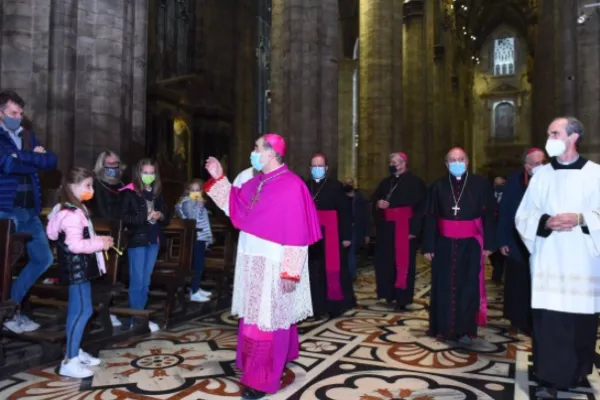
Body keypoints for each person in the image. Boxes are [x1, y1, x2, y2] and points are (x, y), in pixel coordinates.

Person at [204, 133, 321, 400]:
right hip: (251, 260)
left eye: (257, 148)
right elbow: (233, 206)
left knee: (269, 319)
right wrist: (219, 177)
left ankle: (263, 378)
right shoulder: (257, 181)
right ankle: (256, 364)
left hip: (273, 262)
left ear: (271, 152)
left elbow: (297, 232)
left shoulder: (292, 186)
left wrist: (290, 271)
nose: (253, 152)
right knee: (257, 316)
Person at [515, 117, 600, 398]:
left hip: (582, 261)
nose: (549, 136)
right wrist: (545, 222)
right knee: (549, 320)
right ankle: (549, 377)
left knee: (581, 319)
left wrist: (581, 218)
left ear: (573, 137)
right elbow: (523, 215)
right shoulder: (542, 176)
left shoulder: (595, 174)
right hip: (549, 260)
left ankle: (578, 370)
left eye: (555, 132)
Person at [423, 147, 497, 345]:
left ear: (467, 162)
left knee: (468, 286)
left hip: (470, 245)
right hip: (443, 244)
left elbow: (489, 215)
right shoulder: (437, 186)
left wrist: (489, 243)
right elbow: (430, 217)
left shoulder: (480, 185)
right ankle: (442, 327)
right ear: (447, 164)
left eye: (461, 159)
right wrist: (428, 246)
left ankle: (466, 330)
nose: (457, 163)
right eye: (453, 160)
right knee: (443, 286)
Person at [46, 167, 113, 378]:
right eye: (87, 185)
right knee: (83, 311)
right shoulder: (72, 214)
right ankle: (69, 361)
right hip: (78, 269)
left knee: (78, 311)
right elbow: (75, 245)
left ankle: (74, 351)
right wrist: (100, 242)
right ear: (72, 187)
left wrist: (96, 241)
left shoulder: (68, 209)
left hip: (78, 268)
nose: (91, 190)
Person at [0, 90, 57, 333]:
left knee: (44, 259)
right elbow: (6, 164)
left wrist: (24, 157)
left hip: (29, 210)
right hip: (5, 210)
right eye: (14, 113)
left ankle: (10, 309)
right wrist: (33, 158)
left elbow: (51, 161)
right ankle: (8, 315)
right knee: (4, 265)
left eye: (21, 113)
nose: (19, 118)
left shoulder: (28, 136)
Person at [497, 147, 545, 335]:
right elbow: (505, 211)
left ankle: (536, 319)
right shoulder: (514, 181)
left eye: (543, 162)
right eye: (536, 164)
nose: (540, 166)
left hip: (541, 239)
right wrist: (502, 240)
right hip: (517, 239)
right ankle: (516, 319)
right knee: (518, 281)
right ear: (526, 165)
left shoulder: (550, 178)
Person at [120, 159, 169, 332]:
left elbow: (166, 215)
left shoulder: (157, 192)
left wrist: (160, 215)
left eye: (151, 173)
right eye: (145, 172)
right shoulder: (129, 192)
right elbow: (124, 218)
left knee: (146, 281)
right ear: (138, 173)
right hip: (137, 241)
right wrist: (145, 217)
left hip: (153, 240)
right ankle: (137, 318)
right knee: (137, 281)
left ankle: (142, 316)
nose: (148, 176)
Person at [372, 152, 427, 309]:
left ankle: (402, 298)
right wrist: (378, 204)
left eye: (396, 162)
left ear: (404, 163)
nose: (393, 165)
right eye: (391, 162)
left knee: (403, 263)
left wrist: (414, 230)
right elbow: (375, 200)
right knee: (386, 262)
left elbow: (421, 209)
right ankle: (389, 294)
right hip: (386, 229)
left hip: (405, 228)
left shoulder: (415, 183)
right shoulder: (385, 183)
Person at [307, 153, 356, 318]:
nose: (317, 169)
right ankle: (316, 305)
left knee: (334, 269)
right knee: (315, 270)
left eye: (320, 166)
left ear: (326, 168)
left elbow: (345, 213)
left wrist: (347, 236)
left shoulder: (336, 187)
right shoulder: (305, 186)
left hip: (332, 235)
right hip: (312, 235)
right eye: (314, 166)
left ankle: (335, 305)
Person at [175, 179, 213, 302]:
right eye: (193, 190)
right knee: (197, 265)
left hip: (200, 237)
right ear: (188, 191)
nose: (196, 193)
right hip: (195, 237)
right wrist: (199, 206)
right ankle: (194, 291)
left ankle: (195, 288)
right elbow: (193, 219)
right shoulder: (188, 202)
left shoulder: (194, 202)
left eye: (198, 190)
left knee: (200, 265)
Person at [343, 177, 370, 281]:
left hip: (355, 227)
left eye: (349, 183)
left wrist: (367, 233)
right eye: (345, 183)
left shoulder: (360, 199)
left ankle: (351, 275)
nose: (347, 185)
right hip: (345, 227)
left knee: (351, 252)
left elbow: (366, 217)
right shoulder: (341, 197)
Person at [88, 151, 125, 219]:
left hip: (119, 224)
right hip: (101, 224)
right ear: (102, 166)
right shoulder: (95, 184)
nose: (113, 166)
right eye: (110, 164)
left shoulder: (121, 184)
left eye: (115, 163)